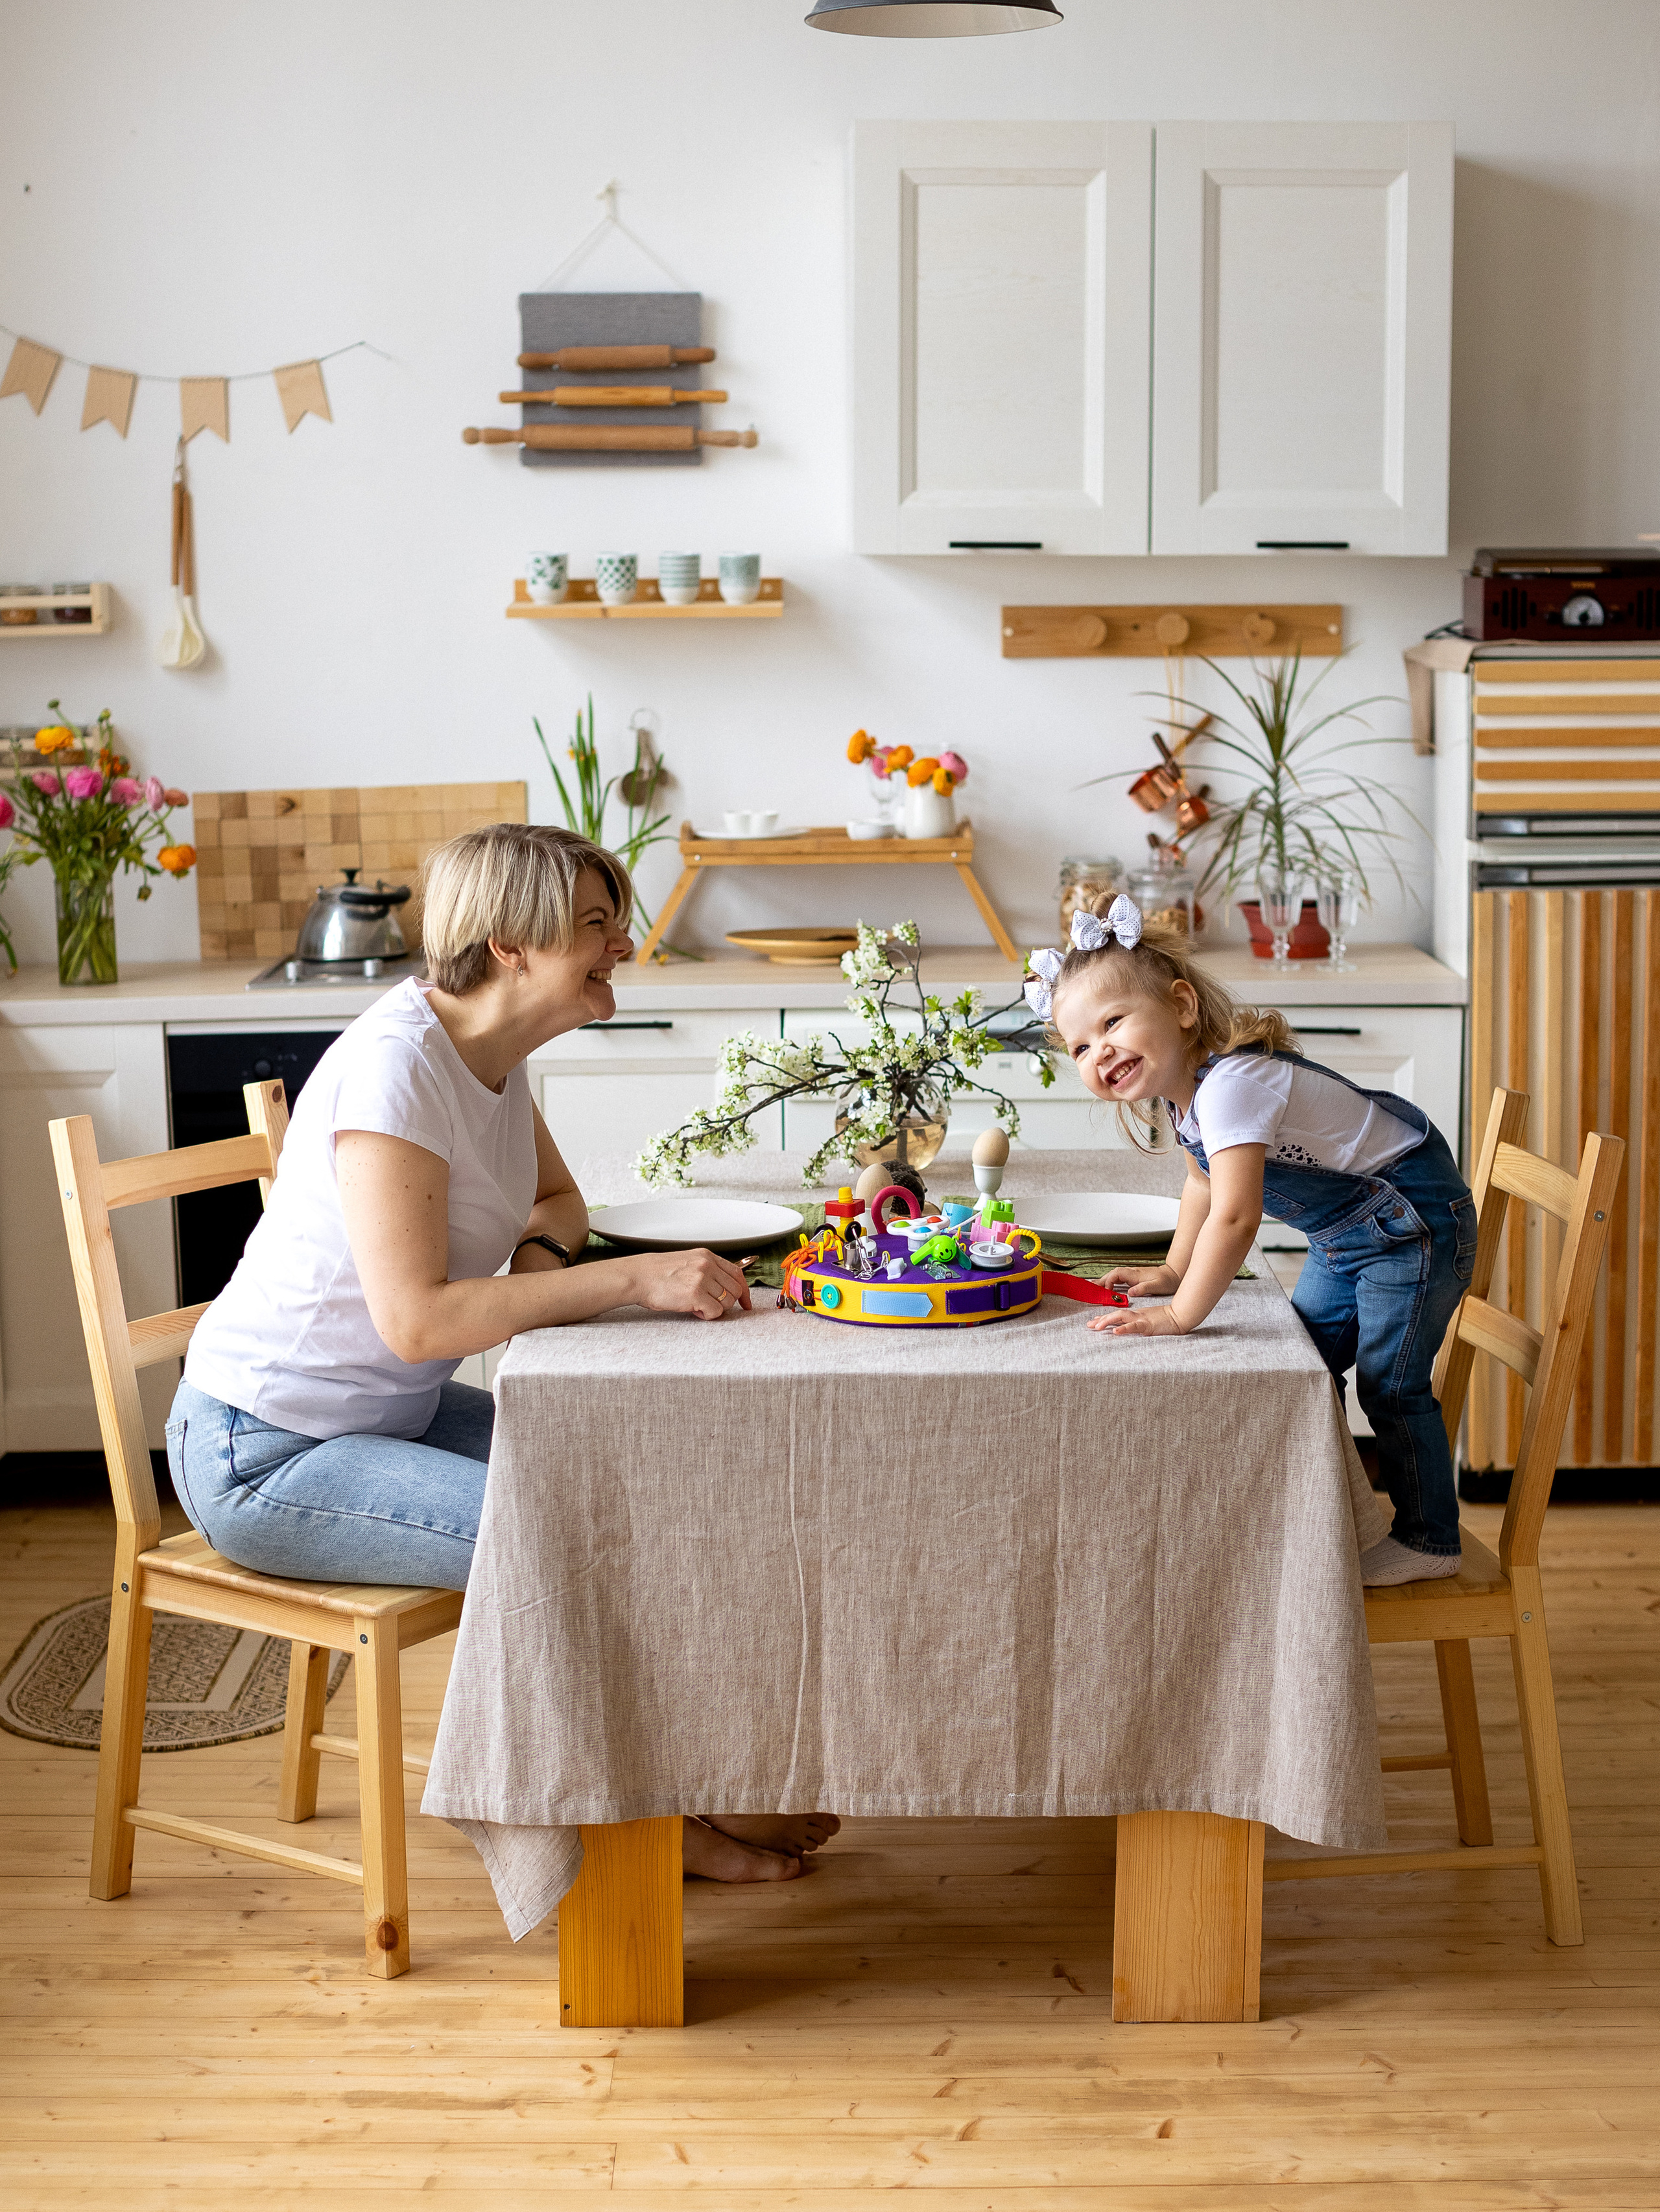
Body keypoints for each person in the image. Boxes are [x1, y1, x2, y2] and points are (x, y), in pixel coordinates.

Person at [167, 820, 836, 1883]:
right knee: (573, 1549)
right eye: (596, 924)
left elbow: (559, 1200)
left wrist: (535, 1268)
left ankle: (691, 1781)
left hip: (388, 1414)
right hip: (264, 1450)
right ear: (512, 945)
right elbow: (420, 1324)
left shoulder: (488, 1057)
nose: (622, 945)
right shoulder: (397, 1069)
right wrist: (629, 1279)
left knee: (644, 1489)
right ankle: (650, 1827)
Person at [1026, 894, 1476, 1590]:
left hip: (1410, 1228)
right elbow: (1203, 1186)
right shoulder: (1185, 1097)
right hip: (1350, 1234)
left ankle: (1429, 1538)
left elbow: (1236, 1218)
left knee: (1390, 1385)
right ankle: (1321, 1520)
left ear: (1181, 1006)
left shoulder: (1231, 1085)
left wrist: (1181, 1315)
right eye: (1080, 1046)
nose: (1100, 1050)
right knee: (1305, 1364)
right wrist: (1174, 1271)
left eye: (1113, 1022)